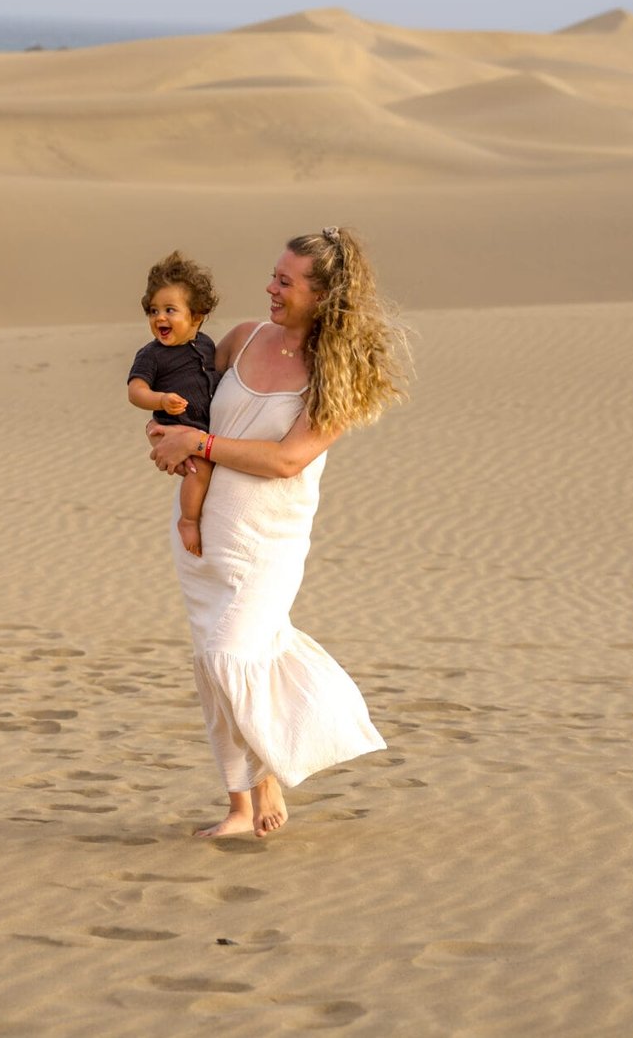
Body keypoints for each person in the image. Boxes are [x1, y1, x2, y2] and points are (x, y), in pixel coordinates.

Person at [148, 226, 409, 838]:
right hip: (202, 539)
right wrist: (167, 433)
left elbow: (288, 460)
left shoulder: (336, 375)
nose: (270, 287)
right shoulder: (241, 338)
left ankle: (306, 743)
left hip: (268, 544)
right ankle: (242, 803)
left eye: (285, 282)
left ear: (322, 296)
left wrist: (202, 442)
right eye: (273, 274)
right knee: (215, 670)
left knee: (231, 654)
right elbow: (188, 401)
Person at [126, 252, 220, 557]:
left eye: (170, 310)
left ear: (196, 316)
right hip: (177, 427)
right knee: (200, 469)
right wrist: (161, 400)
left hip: (202, 427)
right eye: (153, 311)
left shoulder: (206, 344)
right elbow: (135, 390)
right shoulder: (151, 355)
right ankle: (189, 521)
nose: (159, 318)